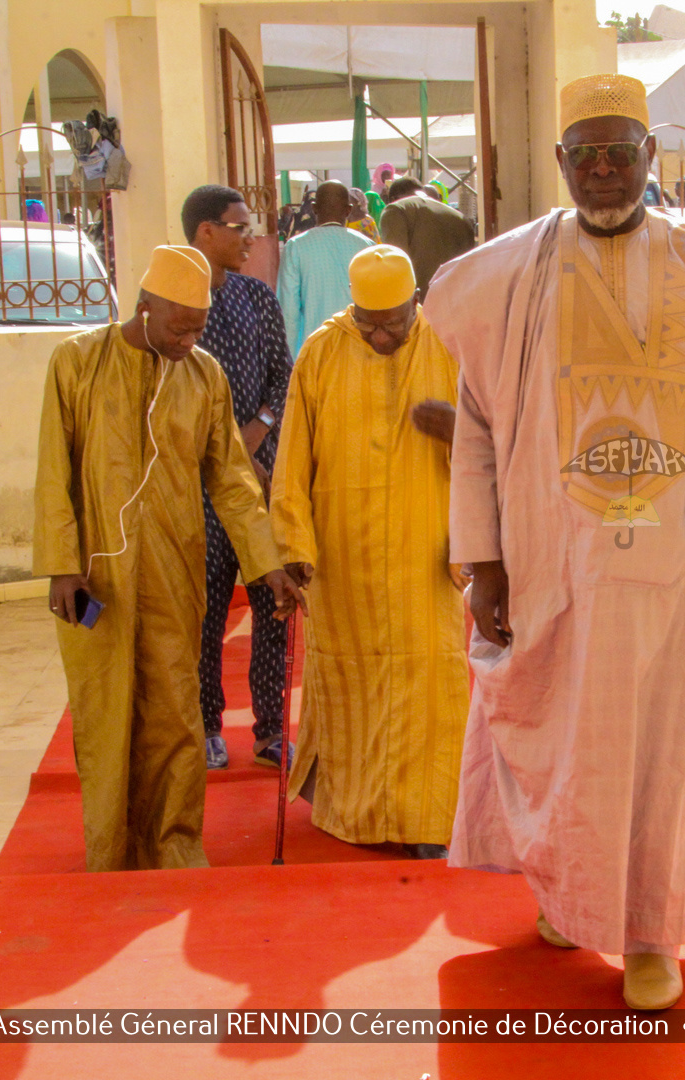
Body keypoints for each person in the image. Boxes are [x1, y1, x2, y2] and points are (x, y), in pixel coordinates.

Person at [425, 73, 685, 1010]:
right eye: (582, 155)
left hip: (674, 568)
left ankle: (648, 934)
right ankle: (570, 895)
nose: (600, 171)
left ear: (650, 158)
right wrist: (487, 558)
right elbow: (477, 430)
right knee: (562, 737)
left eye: (617, 152)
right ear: (558, 163)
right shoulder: (506, 277)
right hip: (556, 562)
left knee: (661, 752)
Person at [33, 245, 304, 872]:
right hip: (98, 573)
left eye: (198, 327)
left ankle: (175, 844)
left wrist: (267, 564)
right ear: (144, 306)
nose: (187, 339)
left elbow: (232, 481)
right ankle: (110, 848)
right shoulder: (77, 361)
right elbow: (54, 471)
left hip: (176, 567)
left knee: (176, 710)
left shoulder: (205, 374)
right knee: (107, 710)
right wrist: (62, 564)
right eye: (177, 325)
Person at [270, 245, 470, 859]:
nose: (381, 336)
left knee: (428, 679)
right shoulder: (323, 351)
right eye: (368, 323)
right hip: (343, 552)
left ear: (416, 304)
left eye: (394, 323)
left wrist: (461, 428)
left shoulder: (451, 345)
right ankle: (353, 811)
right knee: (350, 679)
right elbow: (292, 459)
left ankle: (423, 818)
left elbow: (502, 442)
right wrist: (292, 544)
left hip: (425, 549)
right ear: (351, 309)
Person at [182, 185, 294, 771]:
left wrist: (255, 432)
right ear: (205, 231)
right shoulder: (174, 301)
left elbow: (284, 377)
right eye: (239, 226)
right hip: (201, 488)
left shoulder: (257, 295)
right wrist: (222, 452)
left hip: (261, 478)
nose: (250, 236)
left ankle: (272, 729)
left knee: (273, 602)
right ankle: (205, 724)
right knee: (205, 609)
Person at [277, 180, 374, 358]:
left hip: (314, 352)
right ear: (348, 210)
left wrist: (289, 360)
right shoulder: (366, 245)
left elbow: (288, 311)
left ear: (314, 208)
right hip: (359, 352)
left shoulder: (296, 246)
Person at [379, 176, 476, 299]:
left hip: (419, 305)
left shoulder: (396, 209)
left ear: (392, 198)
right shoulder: (459, 217)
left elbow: (395, 264)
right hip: (458, 302)